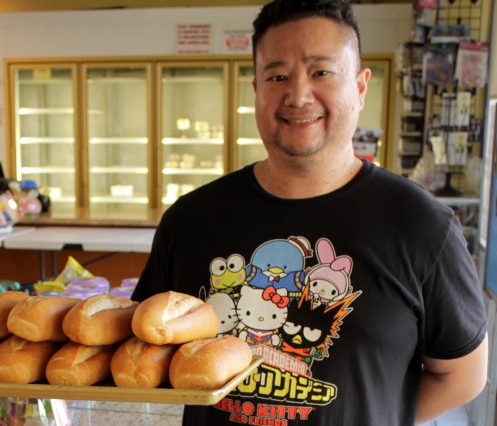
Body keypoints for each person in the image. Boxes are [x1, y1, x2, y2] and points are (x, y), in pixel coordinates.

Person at [131, 0, 489, 424]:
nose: (298, 95)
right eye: (277, 76)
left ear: (360, 86)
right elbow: (146, 356)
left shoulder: (421, 225)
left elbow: (463, 375)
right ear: (257, 91)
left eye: (321, 72)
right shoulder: (189, 220)